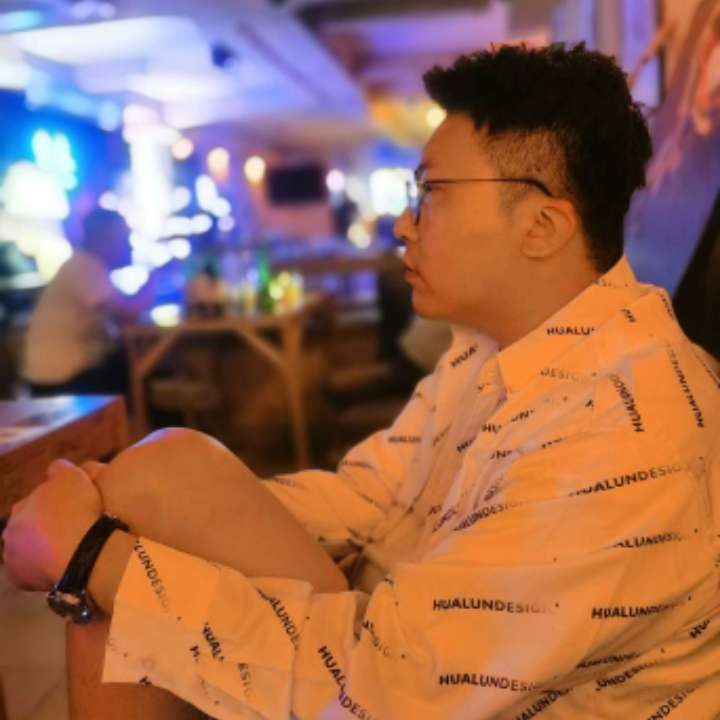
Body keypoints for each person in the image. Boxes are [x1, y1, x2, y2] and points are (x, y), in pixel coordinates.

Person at [4, 43, 720, 720]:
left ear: (542, 226)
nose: (404, 223)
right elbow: (373, 495)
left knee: (114, 576)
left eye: (431, 192)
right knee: (156, 475)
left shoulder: (624, 424)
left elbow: (393, 691)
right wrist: (133, 508)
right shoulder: (492, 349)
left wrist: (92, 555)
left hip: (421, 689)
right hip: (405, 631)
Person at [21, 208, 158, 397]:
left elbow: (124, 313)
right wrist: (155, 278)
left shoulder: (87, 267)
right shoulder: (84, 266)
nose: (130, 246)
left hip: (61, 377)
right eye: (124, 238)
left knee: (131, 363)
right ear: (104, 239)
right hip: (61, 383)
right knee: (142, 372)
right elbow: (129, 311)